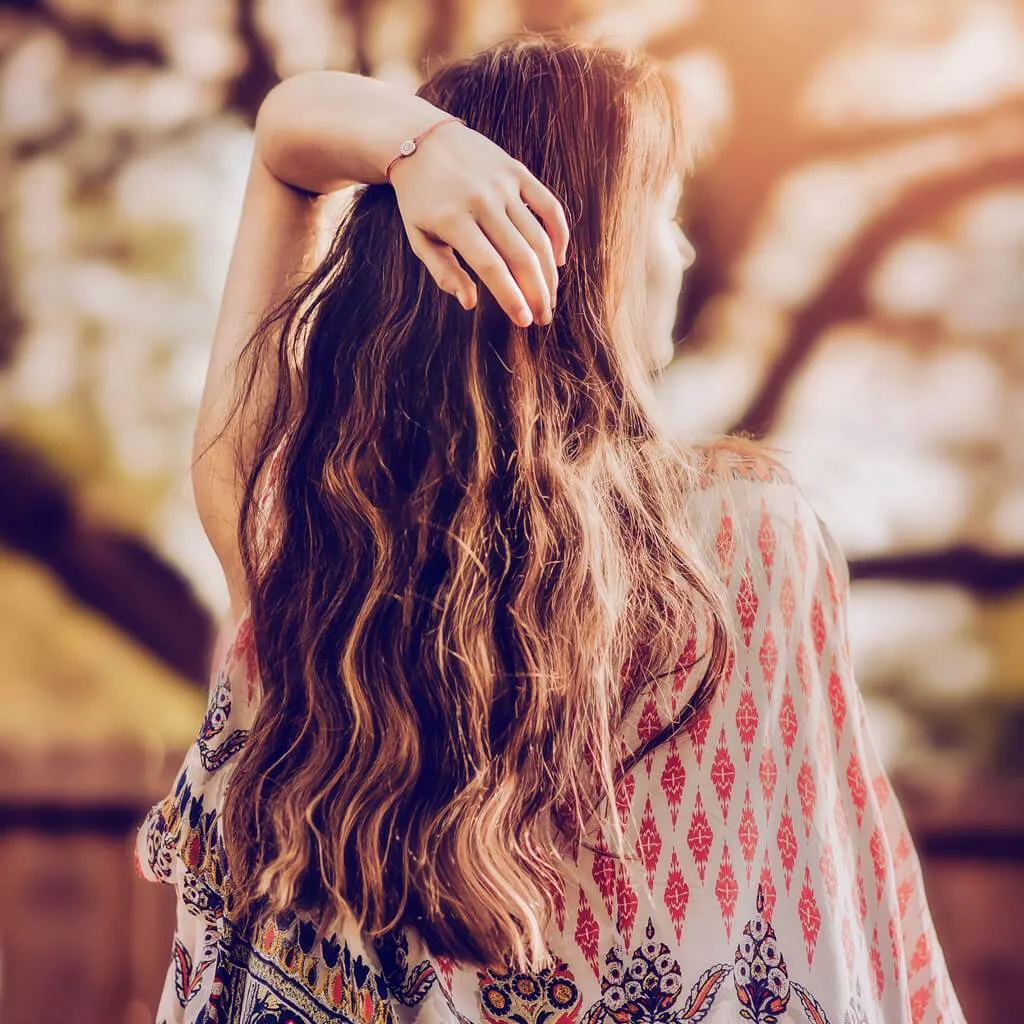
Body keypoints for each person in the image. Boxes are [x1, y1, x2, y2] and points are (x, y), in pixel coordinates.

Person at [134, 33, 965, 1024]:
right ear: (582, 246)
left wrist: (417, 152)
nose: (686, 249)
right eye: (663, 213)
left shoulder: (308, 580)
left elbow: (285, 144)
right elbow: (827, 929)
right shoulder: (746, 545)